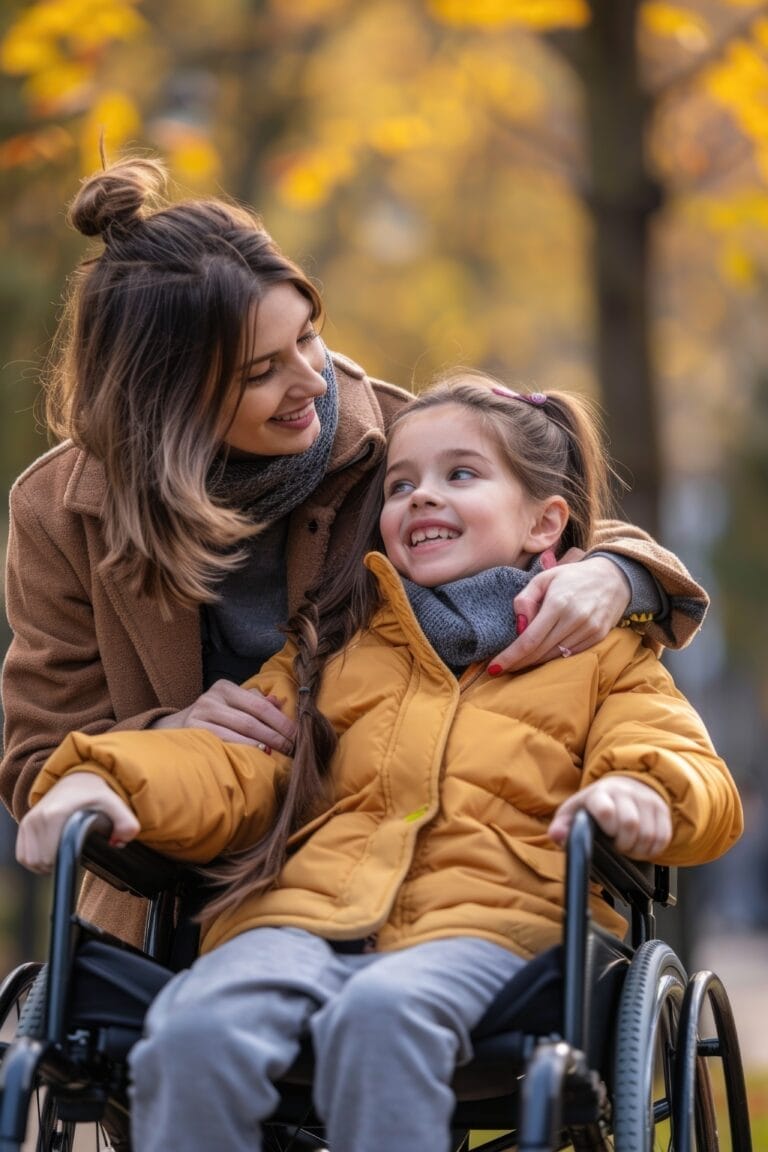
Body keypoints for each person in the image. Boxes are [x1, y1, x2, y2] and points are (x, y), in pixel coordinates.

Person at [17, 372, 742, 1152]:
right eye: (400, 485)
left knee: (381, 1020)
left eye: (459, 475)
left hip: (495, 929)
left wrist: (640, 793)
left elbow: (676, 757)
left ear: (545, 521)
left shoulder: (602, 656)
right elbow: (230, 762)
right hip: (295, 921)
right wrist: (101, 778)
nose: (421, 497)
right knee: (192, 1029)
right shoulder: (330, 647)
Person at [2, 157, 708, 950]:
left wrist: (618, 572)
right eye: (262, 371)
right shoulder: (61, 514)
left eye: (308, 334)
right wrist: (165, 731)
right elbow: (35, 756)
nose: (310, 378)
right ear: (167, 399)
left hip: (402, 873)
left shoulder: (398, 452)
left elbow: (542, 518)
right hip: (172, 887)